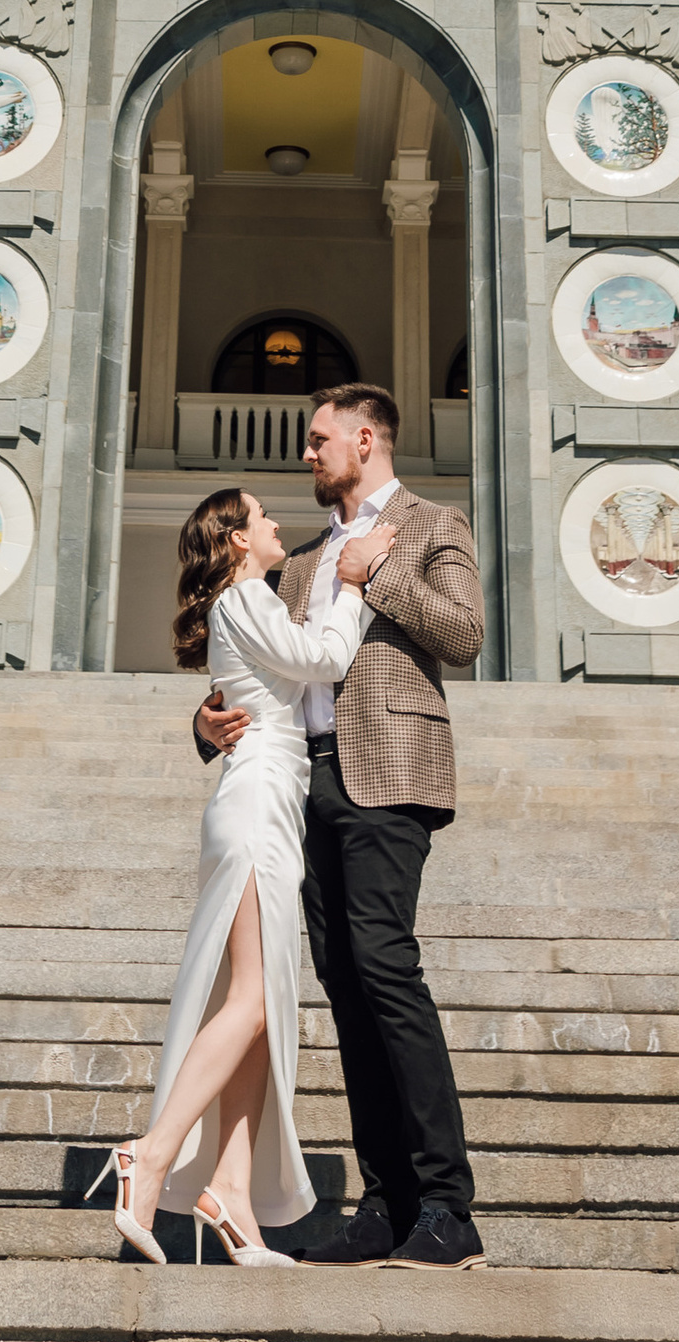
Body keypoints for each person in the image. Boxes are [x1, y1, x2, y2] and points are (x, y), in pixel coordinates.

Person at [193, 383, 488, 1270]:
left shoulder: (435, 526)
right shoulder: (301, 561)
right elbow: (262, 666)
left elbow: (465, 635)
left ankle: (449, 1207)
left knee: (388, 968)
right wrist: (205, 726)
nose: (308, 455)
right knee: (347, 987)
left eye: (320, 440)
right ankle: (385, 1204)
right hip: (300, 781)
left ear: (367, 439)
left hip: (389, 772)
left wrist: (380, 575)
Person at [100, 484, 395, 1267]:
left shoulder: (245, 600)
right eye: (261, 518)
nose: (274, 524)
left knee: (260, 1003)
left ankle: (232, 1196)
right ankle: (152, 1152)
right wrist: (357, 586)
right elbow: (326, 659)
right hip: (261, 796)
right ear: (236, 540)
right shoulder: (247, 596)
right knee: (252, 1002)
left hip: (271, 797)